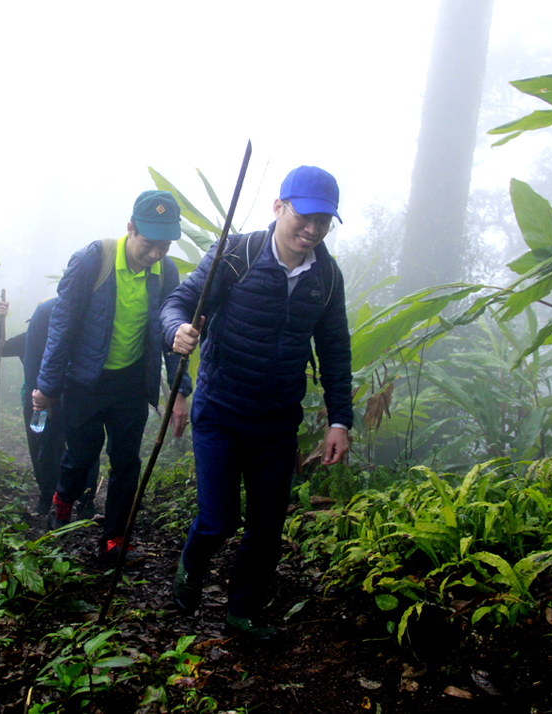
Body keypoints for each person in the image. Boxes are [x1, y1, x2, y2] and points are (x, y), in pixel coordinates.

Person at [161, 165, 353, 638]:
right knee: (219, 519)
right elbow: (178, 302)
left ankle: (241, 612)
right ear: (279, 208)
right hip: (221, 412)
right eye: (304, 217)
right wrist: (176, 331)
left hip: (276, 422)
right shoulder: (236, 254)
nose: (311, 230)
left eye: (323, 221)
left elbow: (334, 350)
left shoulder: (325, 276)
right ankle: (191, 565)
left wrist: (340, 421)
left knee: (267, 529)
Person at [32, 189, 191, 562]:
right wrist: (48, 386)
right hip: (86, 382)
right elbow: (63, 323)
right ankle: (63, 499)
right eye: (149, 245)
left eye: (164, 247)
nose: (155, 255)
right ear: (131, 228)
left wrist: (179, 391)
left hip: (132, 385)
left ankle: (114, 540)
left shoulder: (165, 272)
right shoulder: (94, 259)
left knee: (126, 461)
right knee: (82, 455)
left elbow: (170, 334)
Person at [0, 300, 98, 518]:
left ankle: (85, 500)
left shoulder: (76, 335)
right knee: (43, 448)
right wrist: (0, 320)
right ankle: (47, 497)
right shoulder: (30, 338)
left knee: (81, 447)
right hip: (36, 401)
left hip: (72, 399)